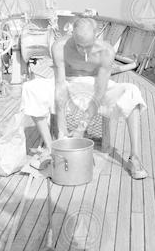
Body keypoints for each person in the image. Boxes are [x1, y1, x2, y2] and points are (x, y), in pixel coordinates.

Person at [20, 17, 148, 179]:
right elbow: (60, 86)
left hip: (96, 86)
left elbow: (99, 92)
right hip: (68, 83)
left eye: (88, 46)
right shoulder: (59, 47)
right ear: (72, 35)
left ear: (96, 35)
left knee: (132, 92)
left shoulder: (106, 51)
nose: (84, 52)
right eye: (79, 46)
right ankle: (51, 148)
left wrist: (81, 127)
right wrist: (62, 129)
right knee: (31, 88)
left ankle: (134, 158)